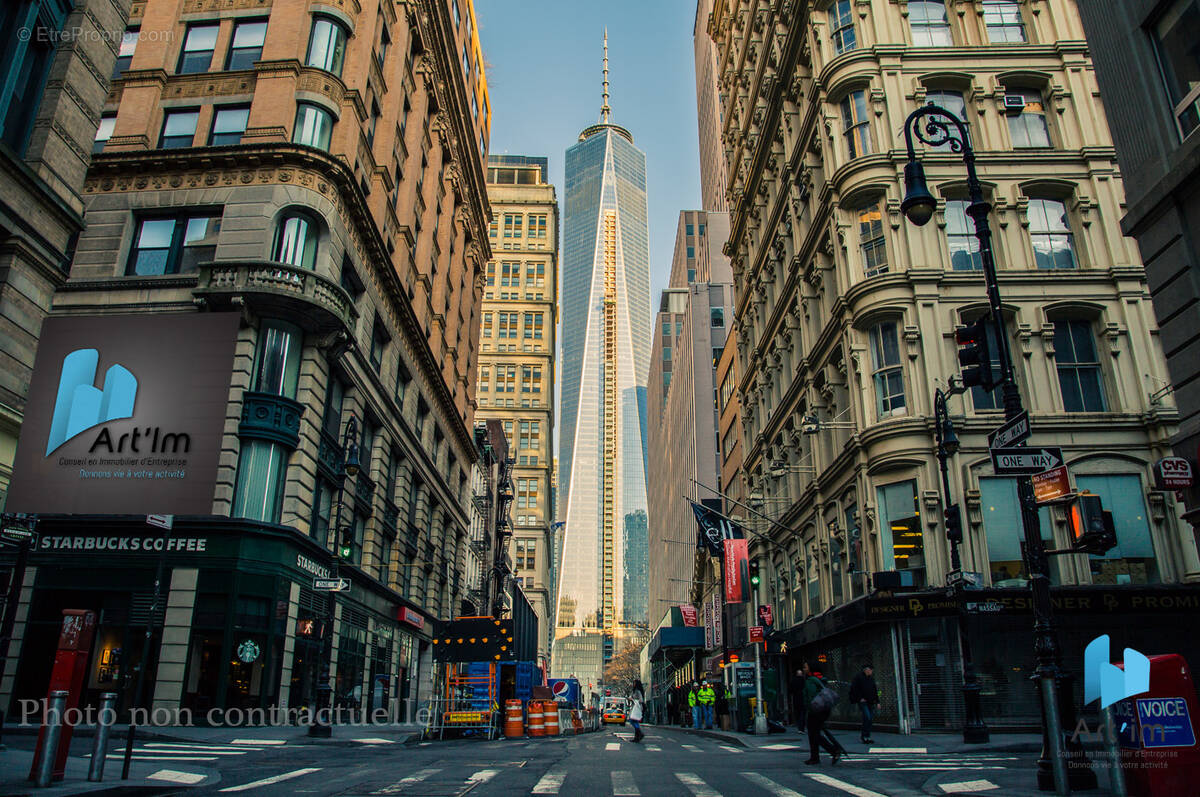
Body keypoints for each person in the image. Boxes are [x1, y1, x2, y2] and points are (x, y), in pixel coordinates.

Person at [802, 661, 841, 765]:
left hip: (815, 710)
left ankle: (830, 752)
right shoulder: (820, 678)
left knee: (813, 734)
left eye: (805, 667)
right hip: (823, 710)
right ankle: (818, 756)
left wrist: (808, 707)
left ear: (811, 668)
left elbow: (810, 696)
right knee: (815, 733)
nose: (804, 669)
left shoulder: (810, 680)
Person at [849, 663, 881, 744]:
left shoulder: (870, 679)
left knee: (869, 718)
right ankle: (865, 736)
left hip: (870, 701)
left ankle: (867, 736)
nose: (871, 672)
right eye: (870, 670)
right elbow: (854, 689)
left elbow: (874, 690)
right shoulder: (859, 678)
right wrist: (860, 698)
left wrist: (877, 701)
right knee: (867, 717)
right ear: (866, 670)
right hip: (864, 701)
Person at [789, 666, 807, 733]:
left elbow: (790, 690)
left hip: (796, 698)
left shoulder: (793, 680)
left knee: (798, 713)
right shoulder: (804, 681)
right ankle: (801, 728)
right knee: (803, 713)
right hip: (803, 698)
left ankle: (799, 728)